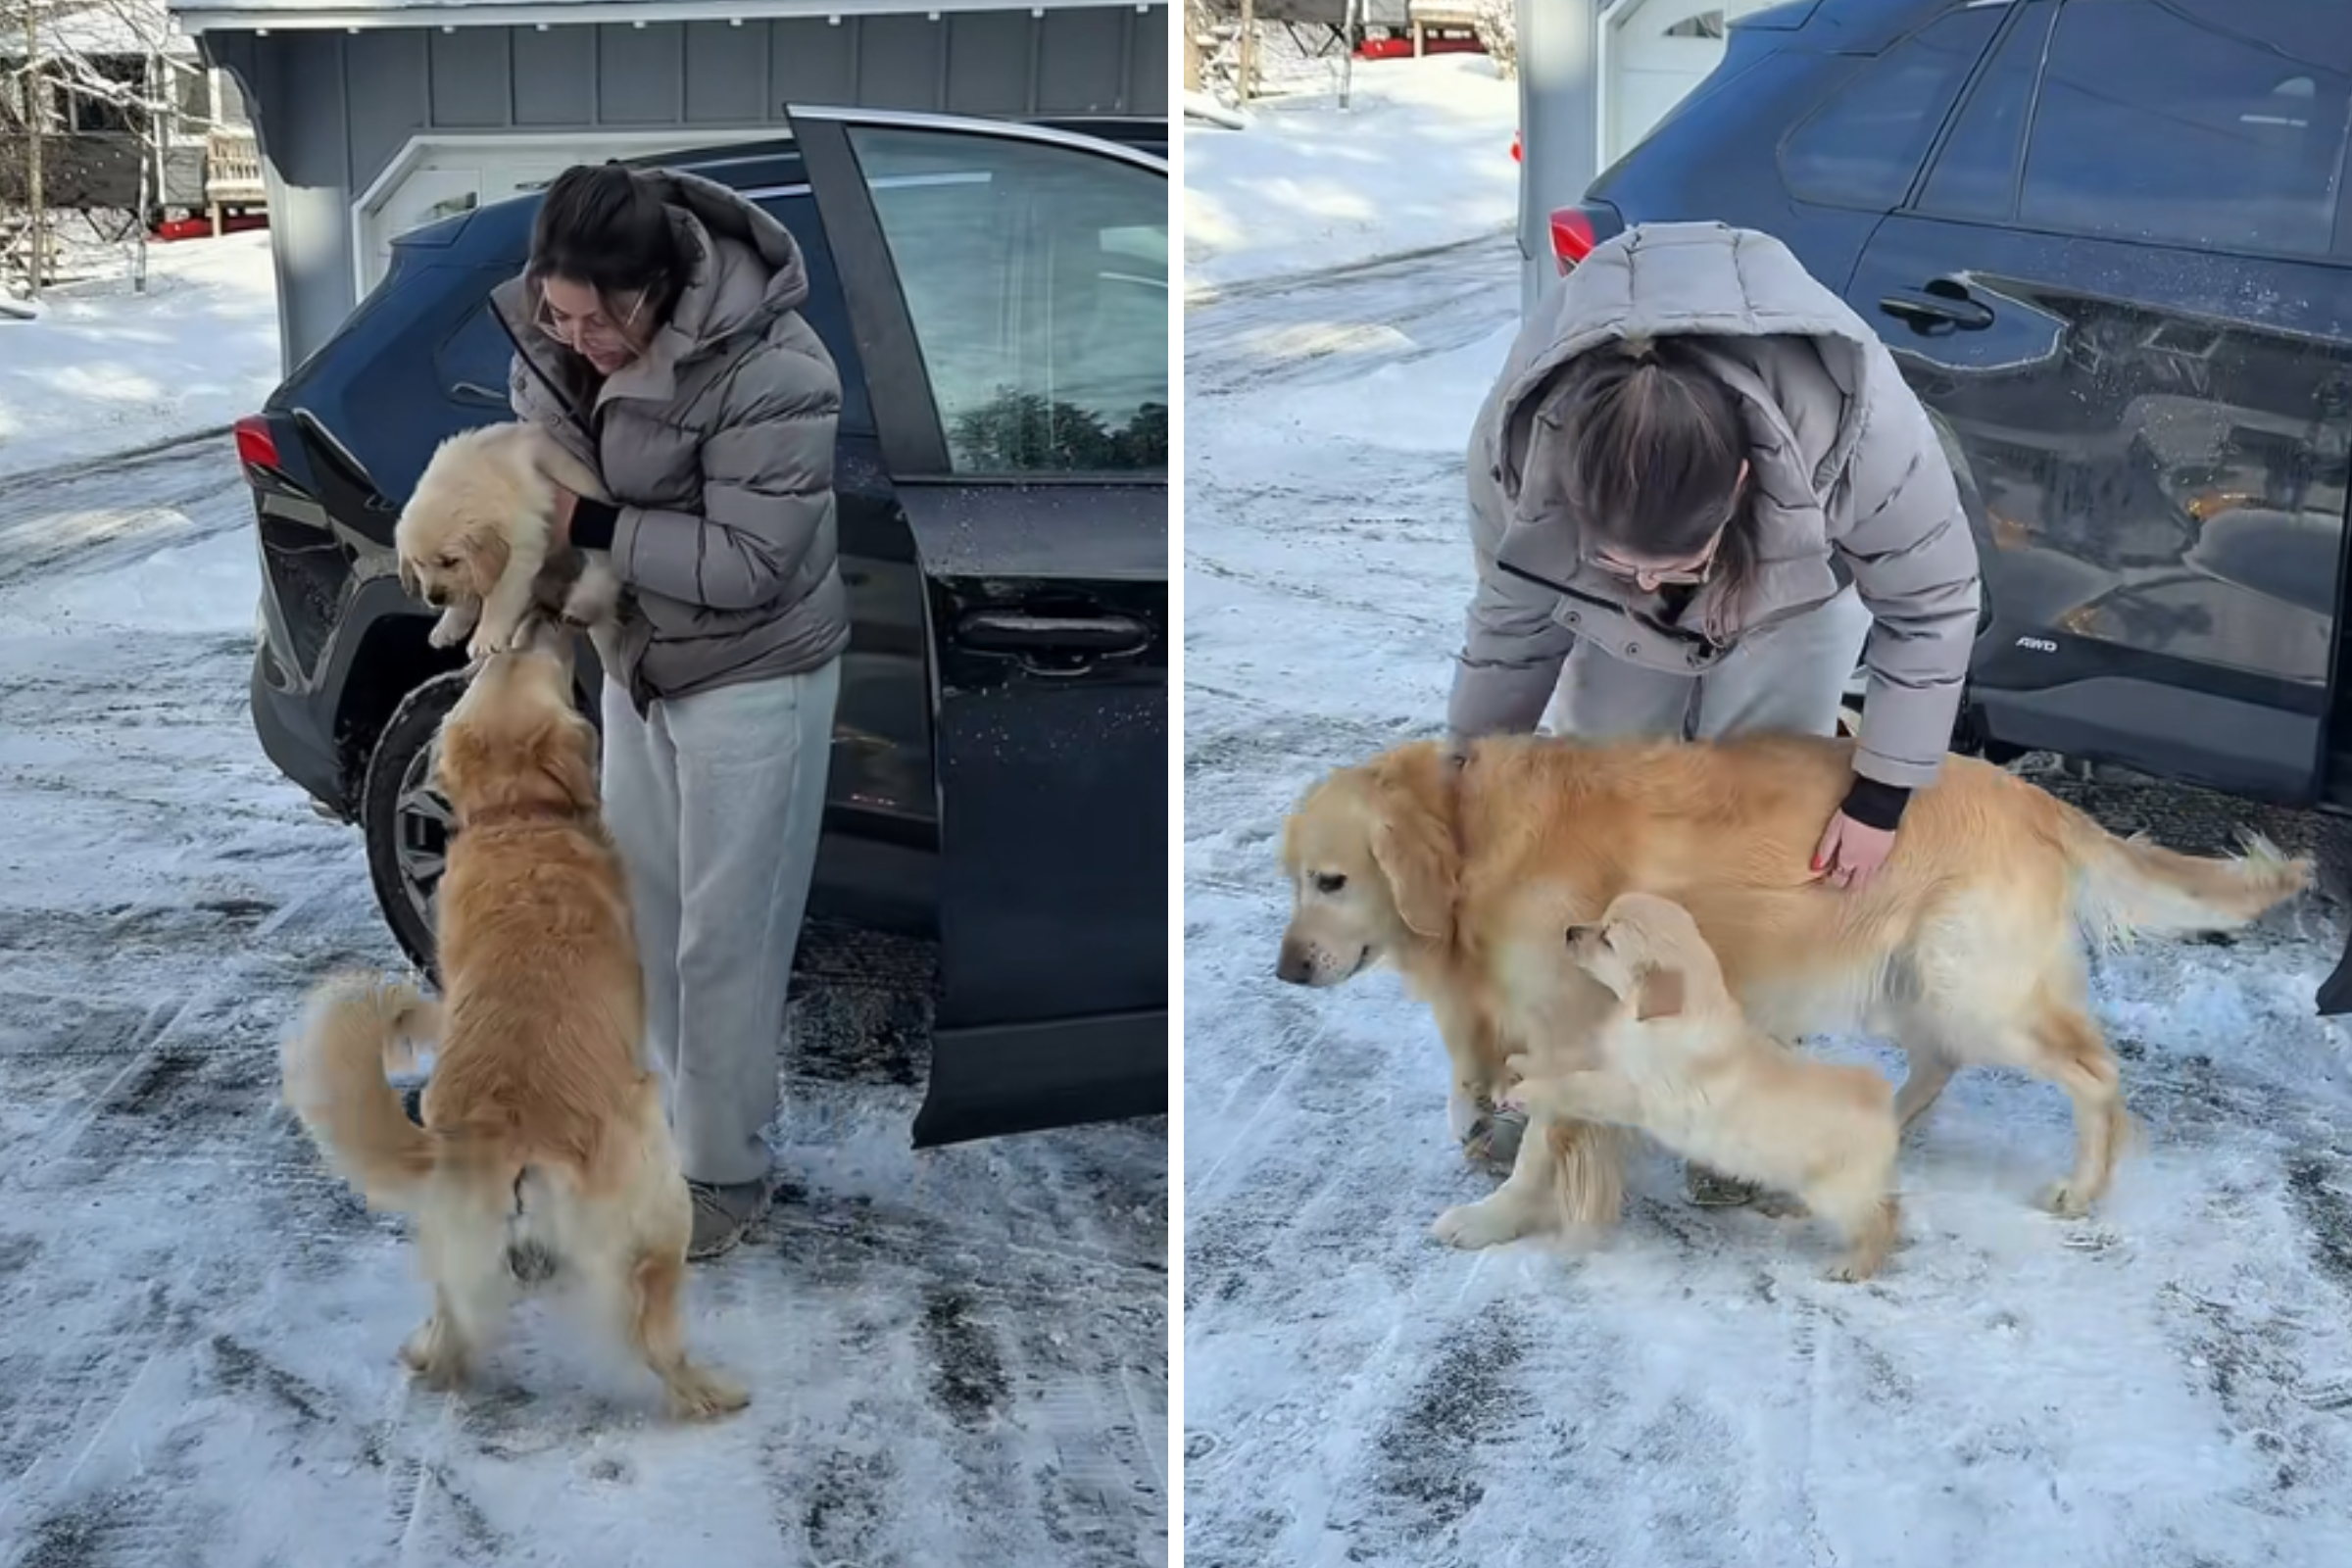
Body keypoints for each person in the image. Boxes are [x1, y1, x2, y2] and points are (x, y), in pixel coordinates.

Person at [1449, 220, 1981, 1206]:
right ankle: (1580, 1074)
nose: (1653, 583)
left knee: (1765, 837)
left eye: (1674, 565)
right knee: (1599, 827)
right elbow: (1513, 631)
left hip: (1792, 596)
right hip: (1607, 636)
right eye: (1625, 564)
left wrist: (1879, 795)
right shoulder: (1521, 459)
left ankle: (1745, 1084)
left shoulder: (1856, 429)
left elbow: (1934, 603)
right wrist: (1474, 785)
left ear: (1740, 484)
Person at [491, 161, 848, 1259]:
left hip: (755, 672)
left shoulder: (776, 364)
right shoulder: (557, 333)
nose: (576, 337)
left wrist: (587, 528)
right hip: (639, 661)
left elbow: (749, 560)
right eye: (558, 311)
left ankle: (726, 1168)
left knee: (725, 941)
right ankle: (649, 1144)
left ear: (655, 292)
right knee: (645, 922)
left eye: (599, 320)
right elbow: (529, 472)